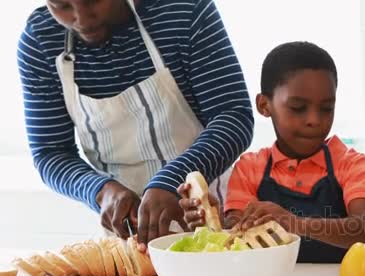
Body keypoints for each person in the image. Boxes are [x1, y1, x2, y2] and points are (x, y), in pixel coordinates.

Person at [17, 0, 253, 250]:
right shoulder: (40, 41)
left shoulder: (184, 11)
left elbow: (233, 116)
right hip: (127, 242)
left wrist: (170, 181)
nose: (82, 19)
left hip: (214, 226)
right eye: (61, 5)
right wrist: (100, 191)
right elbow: (51, 151)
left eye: (91, 1)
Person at [179, 41, 365, 263]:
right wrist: (211, 222)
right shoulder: (249, 168)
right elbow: (237, 236)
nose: (314, 120)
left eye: (326, 108)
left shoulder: (351, 163)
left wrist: (292, 222)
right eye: (298, 108)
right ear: (264, 105)